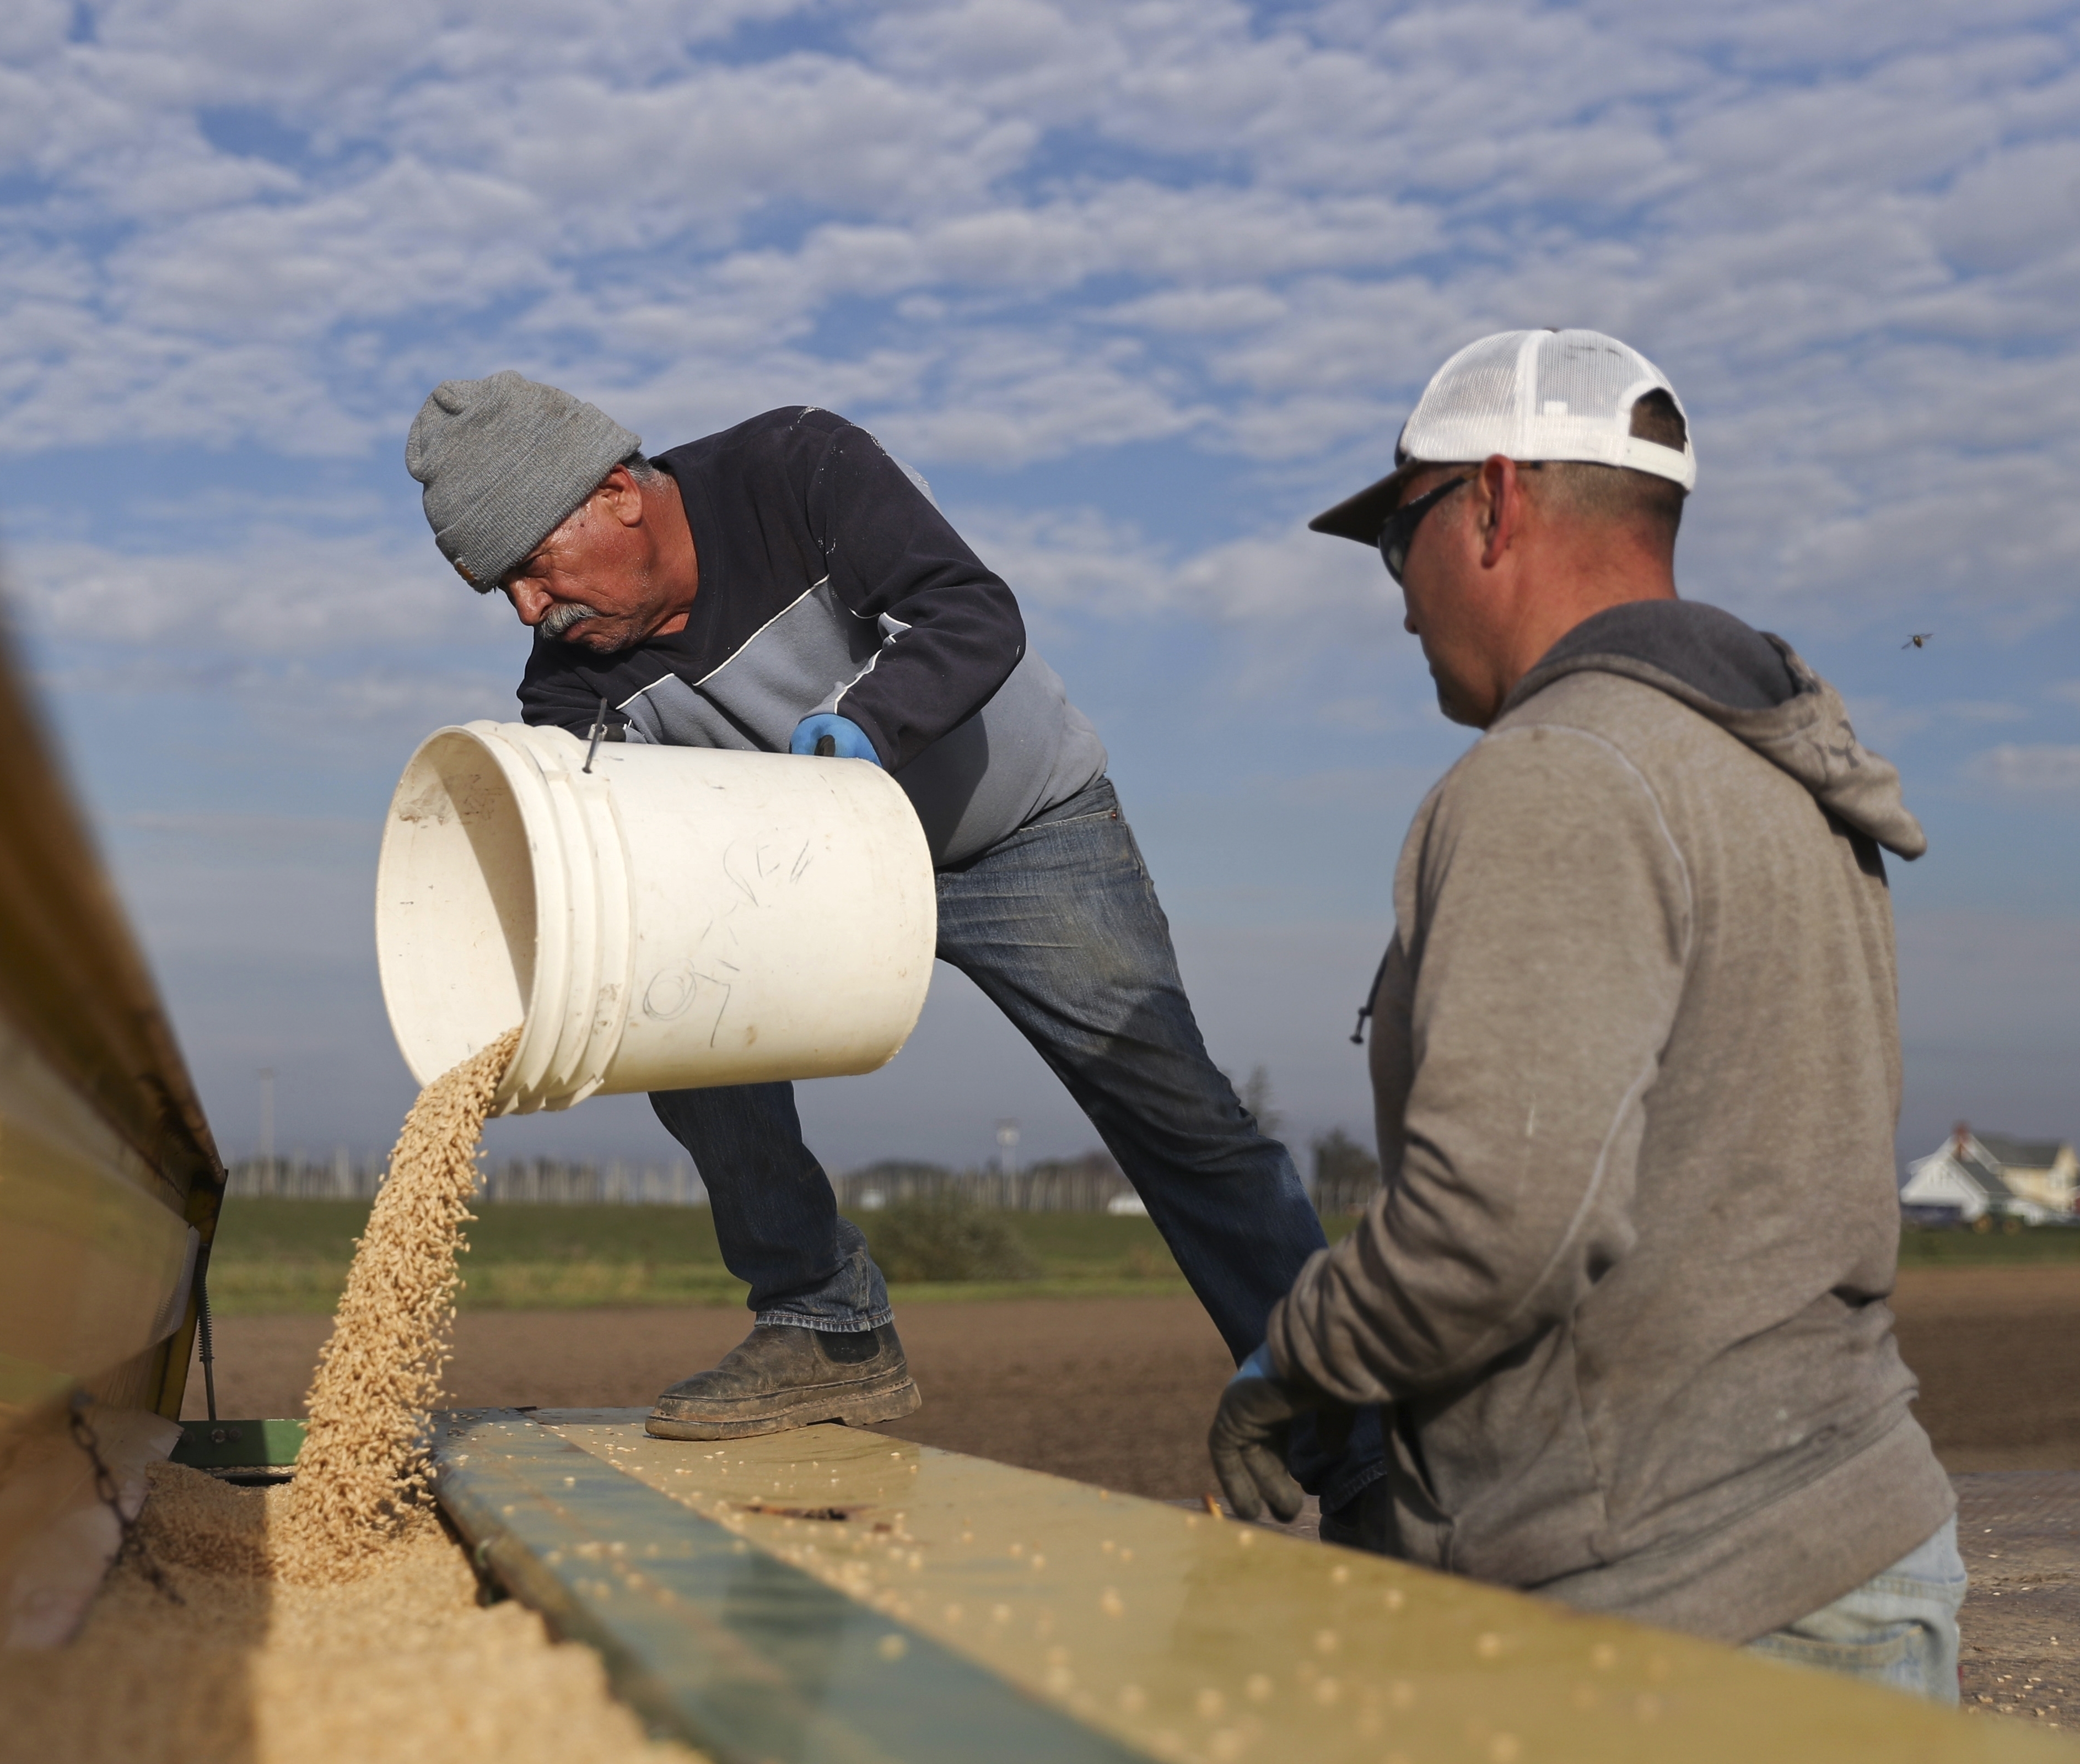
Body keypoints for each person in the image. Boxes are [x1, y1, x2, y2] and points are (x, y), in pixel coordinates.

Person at [406, 370, 1384, 1533]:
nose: (528, 610)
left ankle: (1344, 1425)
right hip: (806, 876)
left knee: (1176, 1112)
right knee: (654, 979)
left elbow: (971, 612)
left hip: (1015, 827)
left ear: (616, 493)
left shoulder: (794, 471)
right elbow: (589, 867)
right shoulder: (572, 688)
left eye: (532, 567)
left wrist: (866, 723)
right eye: (500, 591)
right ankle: (825, 1319)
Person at [1208, 329, 1962, 1698]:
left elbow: (1498, 1222)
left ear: (1492, 499)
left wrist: (1290, 1366)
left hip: (1682, 1607)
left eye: (1399, 540)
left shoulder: (1555, 772)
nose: (1395, 601)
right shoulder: (1783, 769)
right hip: (1858, 1552)